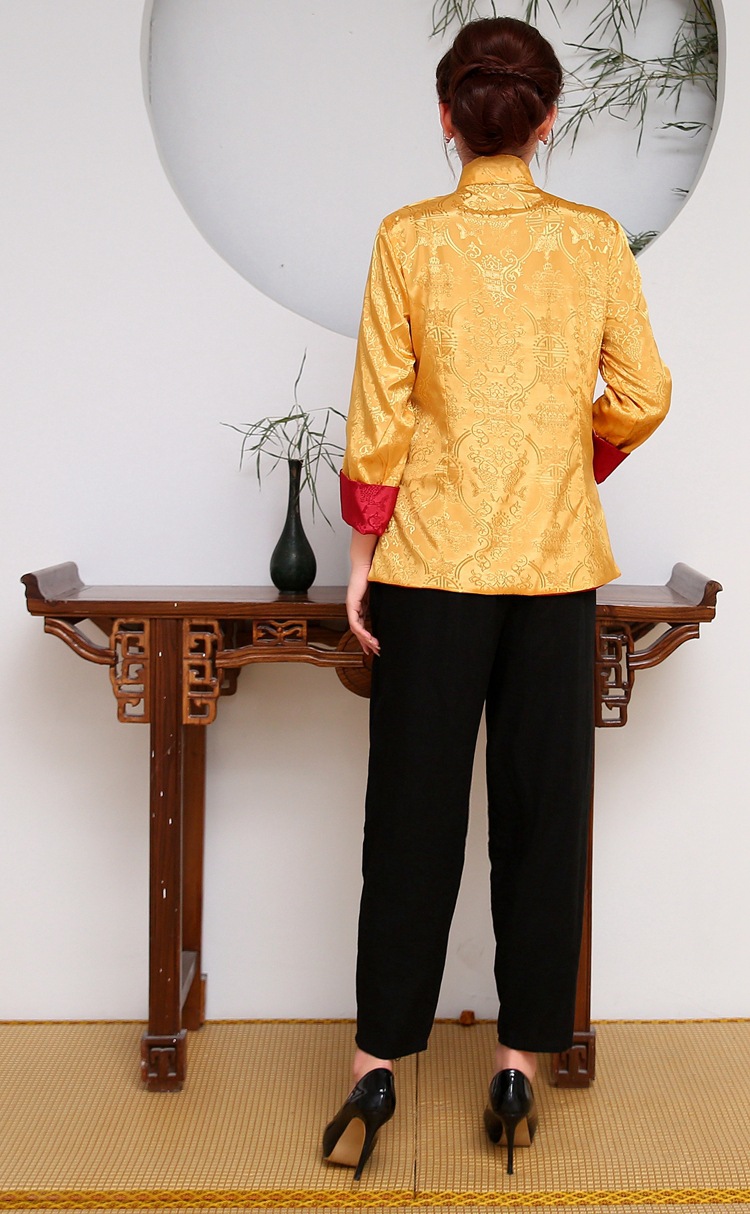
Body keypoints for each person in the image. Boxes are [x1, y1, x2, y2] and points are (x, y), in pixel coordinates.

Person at [322, 15, 671, 1181]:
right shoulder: (593, 239)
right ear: (548, 120)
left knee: (409, 816)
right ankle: (518, 1062)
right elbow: (645, 391)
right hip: (554, 567)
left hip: (429, 566)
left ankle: (374, 1068)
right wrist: (575, 455)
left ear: (447, 116)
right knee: (541, 818)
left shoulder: (408, 238)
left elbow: (379, 411)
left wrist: (362, 552)